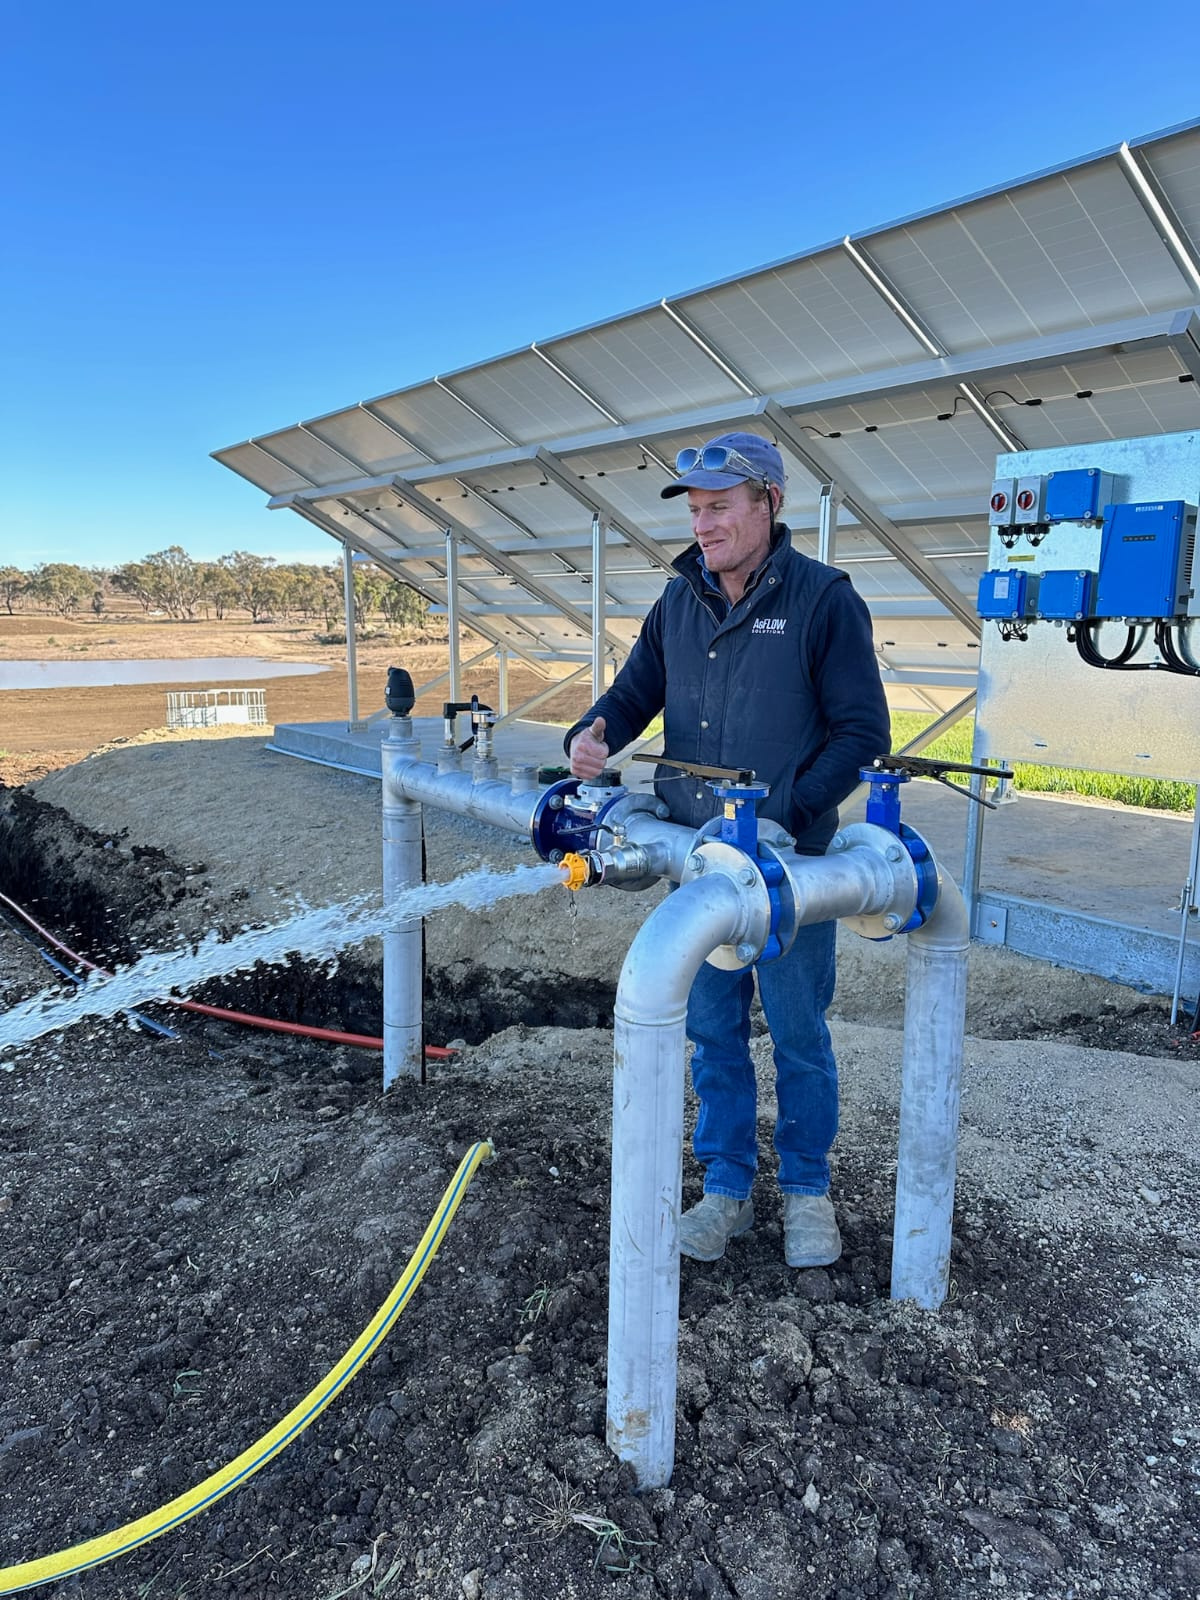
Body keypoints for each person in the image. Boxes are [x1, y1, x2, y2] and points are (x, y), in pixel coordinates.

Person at [565, 432, 890, 1269]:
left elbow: (863, 732)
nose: (703, 526)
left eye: (718, 508)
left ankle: (809, 1192)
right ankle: (728, 1188)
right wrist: (593, 732)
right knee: (711, 1031)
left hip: (787, 871)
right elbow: (635, 691)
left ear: (768, 504)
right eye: (696, 510)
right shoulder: (678, 600)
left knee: (797, 1033)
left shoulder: (823, 600)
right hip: (695, 861)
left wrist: (786, 812)